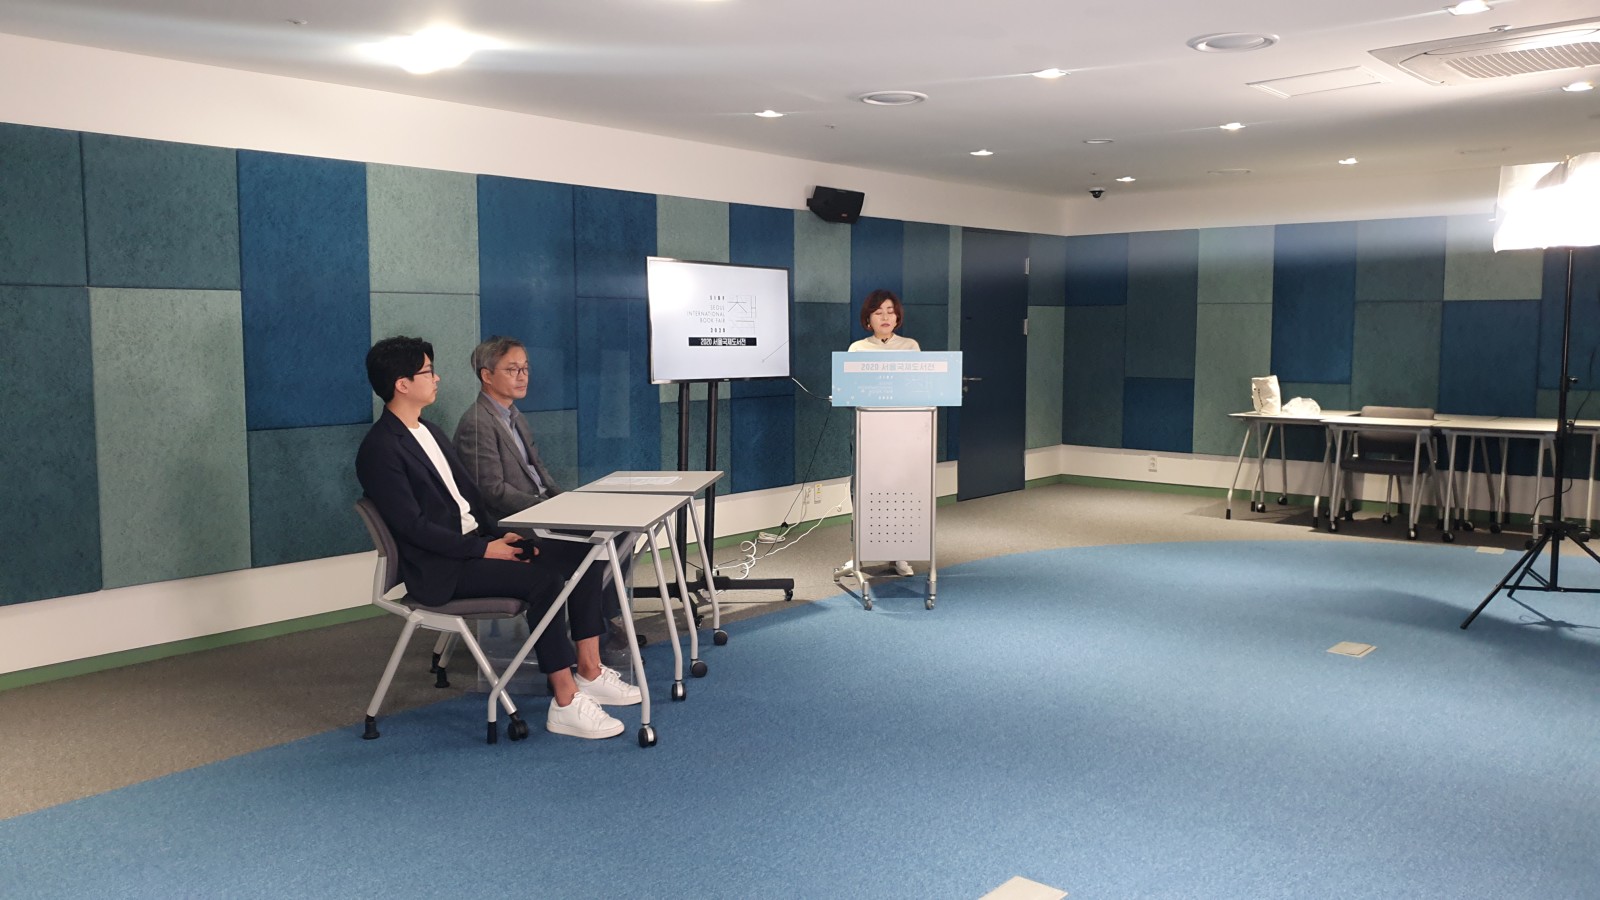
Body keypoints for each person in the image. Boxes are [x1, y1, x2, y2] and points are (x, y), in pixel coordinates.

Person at [355, 335, 640, 741]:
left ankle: (589, 671)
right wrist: (484, 548)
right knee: (545, 581)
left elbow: (469, 502)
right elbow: (414, 528)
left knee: (585, 555)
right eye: (428, 371)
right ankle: (564, 700)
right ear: (402, 384)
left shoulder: (429, 431)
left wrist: (499, 536)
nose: (437, 378)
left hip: (474, 546)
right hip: (442, 568)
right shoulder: (380, 449)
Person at [452, 336, 640, 667]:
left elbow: (540, 474)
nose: (522, 376)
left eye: (525, 368)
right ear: (486, 375)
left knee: (621, 531)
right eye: (512, 369)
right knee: (596, 545)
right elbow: (492, 492)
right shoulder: (477, 424)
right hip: (513, 524)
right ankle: (602, 629)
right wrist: (548, 510)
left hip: (541, 510)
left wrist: (567, 502)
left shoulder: (514, 416)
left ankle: (604, 620)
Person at [844, 289, 918, 577]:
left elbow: (918, 387)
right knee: (863, 490)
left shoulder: (910, 347)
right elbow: (851, 390)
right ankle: (857, 554)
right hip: (867, 429)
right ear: (868, 319)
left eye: (890, 311)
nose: (885, 317)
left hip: (901, 430)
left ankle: (899, 554)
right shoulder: (857, 349)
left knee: (899, 489)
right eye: (878, 312)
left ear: (897, 317)